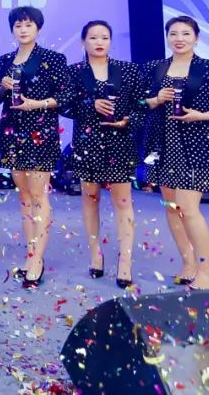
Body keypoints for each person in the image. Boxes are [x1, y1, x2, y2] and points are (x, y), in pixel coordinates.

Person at [140, 15, 209, 291]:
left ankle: (206, 270)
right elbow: (138, 103)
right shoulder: (154, 68)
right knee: (171, 207)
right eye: (173, 33)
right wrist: (155, 99)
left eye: (185, 33)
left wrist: (202, 115)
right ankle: (188, 264)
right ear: (167, 37)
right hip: (163, 145)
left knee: (188, 207)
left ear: (196, 38)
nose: (179, 39)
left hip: (197, 145)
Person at [0, 6, 71, 289]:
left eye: (28, 25)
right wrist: (2, 87)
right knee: (24, 196)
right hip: (12, 132)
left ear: (38, 28)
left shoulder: (53, 59)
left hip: (40, 133)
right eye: (18, 25)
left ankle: (38, 259)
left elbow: (66, 96)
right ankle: (30, 253)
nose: (23, 30)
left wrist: (37, 104)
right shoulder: (4, 60)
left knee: (39, 195)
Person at [61, 20, 141, 289]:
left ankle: (125, 261)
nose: (99, 42)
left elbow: (141, 105)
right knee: (90, 197)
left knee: (122, 201)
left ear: (110, 41)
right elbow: (64, 105)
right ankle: (96, 255)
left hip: (120, 142)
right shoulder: (74, 72)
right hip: (88, 142)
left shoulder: (127, 70)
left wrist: (128, 120)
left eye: (104, 37)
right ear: (83, 41)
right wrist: (90, 105)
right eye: (93, 37)